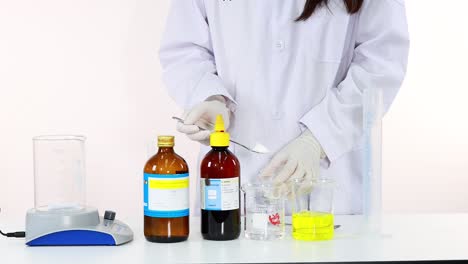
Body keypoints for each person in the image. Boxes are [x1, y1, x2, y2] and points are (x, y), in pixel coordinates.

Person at [159, 0, 409, 214]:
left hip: (331, 190)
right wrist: (211, 97)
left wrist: (319, 139)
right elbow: (185, 50)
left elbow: (381, 62)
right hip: (234, 185)